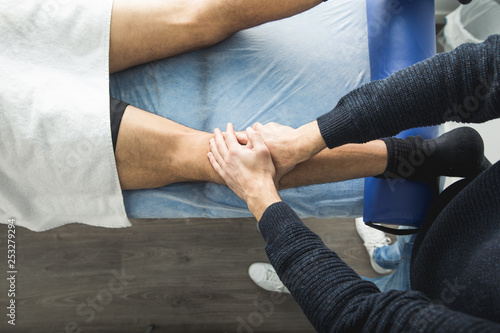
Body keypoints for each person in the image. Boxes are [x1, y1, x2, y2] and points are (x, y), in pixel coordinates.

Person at [207, 34, 500, 331]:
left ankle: (312, 279)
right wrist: (306, 138)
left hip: (433, 297)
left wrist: (259, 193)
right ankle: (385, 258)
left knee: (370, 292)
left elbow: (359, 320)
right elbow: (476, 72)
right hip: (456, 226)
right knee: (411, 249)